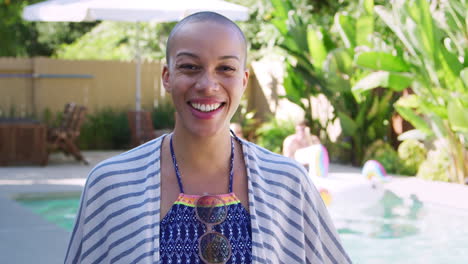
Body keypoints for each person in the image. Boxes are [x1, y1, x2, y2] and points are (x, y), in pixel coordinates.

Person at [64, 12, 351, 264]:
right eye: (190, 67)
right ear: (166, 76)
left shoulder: (287, 183)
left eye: (225, 68)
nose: (207, 85)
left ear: (243, 80)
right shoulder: (112, 184)